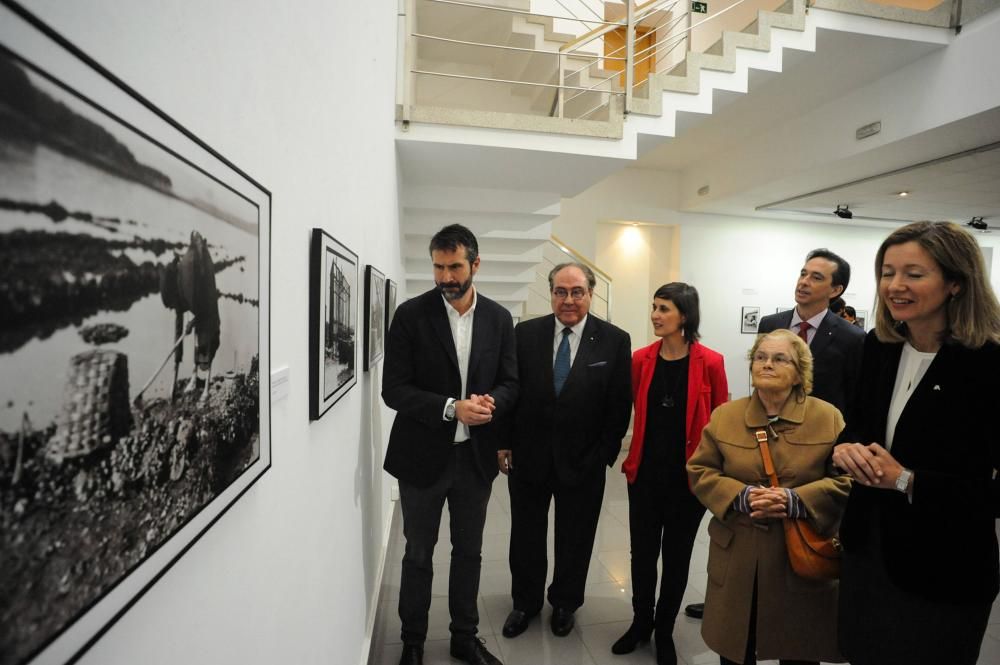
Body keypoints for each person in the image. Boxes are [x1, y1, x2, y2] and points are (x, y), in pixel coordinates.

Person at [833, 221, 1000, 665]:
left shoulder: (988, 364)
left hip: (943, 568)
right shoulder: (879, 346)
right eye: (887, 272)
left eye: (914, 273)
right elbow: (859, 427)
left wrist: (907, 480)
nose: (895, 285)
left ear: (956, 283)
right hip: (869, 553)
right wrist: (844, 449)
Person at [686, 248, 864, 622]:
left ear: (836, 289)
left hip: (812, 450)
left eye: (816, 277)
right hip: (757, 456)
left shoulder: (851, 338)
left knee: (797, 612)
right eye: (803, 273)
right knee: (739, 609)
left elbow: (854, 401)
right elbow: (703, 470)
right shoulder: (772, 322)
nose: (804, 281)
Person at [382, 224, 518, 665]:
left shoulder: (499, 319)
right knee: (418, 553)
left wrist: (489, 402)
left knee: (470, 552)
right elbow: (394, 389)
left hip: (474, 459)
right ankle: (413, 643)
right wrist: (450, 407)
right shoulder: (409, 315)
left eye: (454, 266)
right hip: (421, 458)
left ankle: (464, 636)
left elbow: (511, 382)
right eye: (438, 267)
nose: (445, 277)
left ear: (475, 264)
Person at [687, 329, 851, 665]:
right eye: (760, 357)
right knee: (736, 647)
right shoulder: (725, 416)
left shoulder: (828, 417)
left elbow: (847, 480)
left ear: (799, 371)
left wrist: (795, 500)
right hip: (738, 554)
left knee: (800, 647)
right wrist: (741, 496)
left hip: (798, 556)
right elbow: (699, 471)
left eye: (779, 359)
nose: (766, 365)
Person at [498, 262, 632, 640]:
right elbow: (509, 390)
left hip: (584, 460)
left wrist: (604, 454)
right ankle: (524, 603)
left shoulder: (614, 340)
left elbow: (619, 404)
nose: (569, 300)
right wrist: (504, 441)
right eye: (561, 291)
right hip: (528, 456)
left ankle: (565, 603)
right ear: (551, 293)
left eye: (577, 292)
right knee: (525, 535)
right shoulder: (524, 334)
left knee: (576, 536)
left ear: (591, 293)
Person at [612, 283, 728, 665]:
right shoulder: (641, 359)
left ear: (685, 316)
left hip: (687, 481)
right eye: (654, 307)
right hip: (644, 475)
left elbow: (720, 423)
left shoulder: (710, 362)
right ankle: (640, 622)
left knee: (676, 558)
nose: (655, 315)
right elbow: (637, 413)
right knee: (641, 555)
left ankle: (664, 630)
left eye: (664, 309)